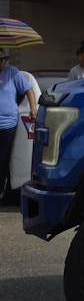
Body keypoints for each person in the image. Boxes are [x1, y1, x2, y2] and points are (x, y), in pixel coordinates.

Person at [0, 48, 37, 197]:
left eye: (4, 59)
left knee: (3, 159)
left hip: (8, 124)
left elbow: (29, 90)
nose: (3, 62)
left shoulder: (13, 72)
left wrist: (33, 107)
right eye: (0, 59)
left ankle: (1, 191)